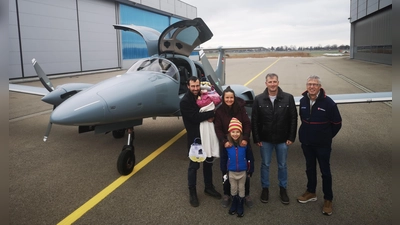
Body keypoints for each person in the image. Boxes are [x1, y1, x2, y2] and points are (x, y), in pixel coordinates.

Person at [296, 75, 342, 216]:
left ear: (319, 87)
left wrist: (326, 136)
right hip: (307, 143)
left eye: (315, 84)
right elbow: (303, 119)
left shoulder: (329, 103)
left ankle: (328, 199)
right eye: (309, 84)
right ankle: (311, 192)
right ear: (306, 86)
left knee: (325, 172)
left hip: (322, 145)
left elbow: (337, 124)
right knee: (310, 169)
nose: (312, 86)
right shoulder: (303, 101)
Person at [251, 73, 298, 205]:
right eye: (270, 82)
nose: (272, 84)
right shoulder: (258, 99)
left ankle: (283, 188)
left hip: (283, 139)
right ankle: (265, 188)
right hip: (265, 139)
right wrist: (256, 138)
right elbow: (254, 120)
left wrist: (291, 136)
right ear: (266, 83)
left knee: (282, 165)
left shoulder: (288, 98)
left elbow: (293, 118)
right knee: (265, 165)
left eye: (274, 81)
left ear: (278, 82)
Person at [180, 76, 222, 207]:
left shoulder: (204, 95)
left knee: (208, 163)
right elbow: (194, 117)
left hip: (207, 137)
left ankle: (208, 187)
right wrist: (211, 114)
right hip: (195, 139)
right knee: (194, 166)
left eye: (197, 86)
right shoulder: (185, 101)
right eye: (193, 86)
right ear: (188, 86)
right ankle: (192, 192)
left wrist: (212, 115)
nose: (195, 88)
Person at [214, 86, 254, 208]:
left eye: (231, 97)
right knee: (226, 169)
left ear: (234, 98)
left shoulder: (241, 109)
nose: (229, 100)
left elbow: (247, 123)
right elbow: (218, 128)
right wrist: (223, 141)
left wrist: (246, 138)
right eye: (227, 97)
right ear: (223, 98)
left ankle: (246, 194)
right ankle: (227, 194)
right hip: (228, 143)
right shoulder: (220, 111)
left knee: (245, 169)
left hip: (242, 141)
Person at [220, 118, 254, 217]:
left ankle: (240, 204)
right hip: (231, 172)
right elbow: (223, 158)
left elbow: (250, 158)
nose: (235, 134)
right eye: (233, 132)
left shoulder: (244, 145)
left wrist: (250, 169)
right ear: (229, 133)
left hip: (243, 172)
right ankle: (234, 203)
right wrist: (223, 170)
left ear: (241, 133)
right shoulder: (227, 146)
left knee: (242, 188)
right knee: (233, 189)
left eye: (237, 132)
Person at [196, 81, 221, 158]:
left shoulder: (206, 97)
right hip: (208, 120)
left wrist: (198, 100)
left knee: (208, 137)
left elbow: (200, 104)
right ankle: (211, 152)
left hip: (206, 122)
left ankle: (209, 152)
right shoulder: (214, 96)